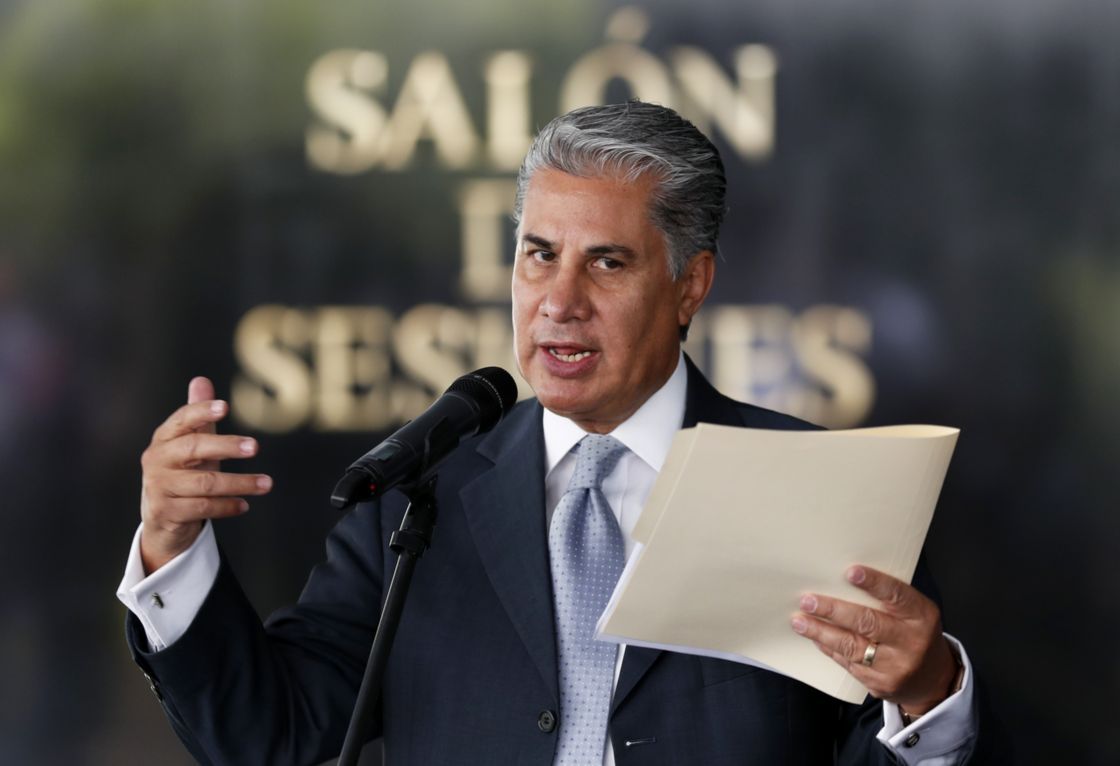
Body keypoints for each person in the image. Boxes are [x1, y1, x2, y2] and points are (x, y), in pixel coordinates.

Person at [119, 101, 999, 764]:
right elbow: (273, 734)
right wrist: (172, 550)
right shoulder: (420, 493)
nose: (559, 302)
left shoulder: (814, 490)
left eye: (606, 262)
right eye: (539, 254)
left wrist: (929, 695)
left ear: (690, 286)